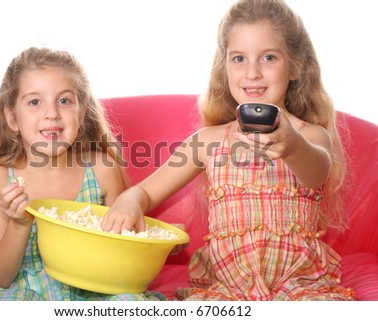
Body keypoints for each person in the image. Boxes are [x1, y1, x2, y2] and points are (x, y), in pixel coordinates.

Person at [101, 0, 356, 301]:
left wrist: (293, 146)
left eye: (269, 57)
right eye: (238, 59)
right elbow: (144, 193)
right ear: (224, 67)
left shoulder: (309, 135)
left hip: (300, 286)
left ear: (296, 66)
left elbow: (317, 172)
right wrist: (130, 199)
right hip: (227, 291)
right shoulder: (209, 141)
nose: (252, 73)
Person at [0, 47, 166, 301]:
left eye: (64, 100)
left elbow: (123, 245)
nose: (51, 113)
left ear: (81, 112)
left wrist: (152, 242)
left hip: (94, 291)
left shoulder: (102, 169)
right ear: (12, 118)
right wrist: (18, 224)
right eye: (34, 102)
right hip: (24, 293)